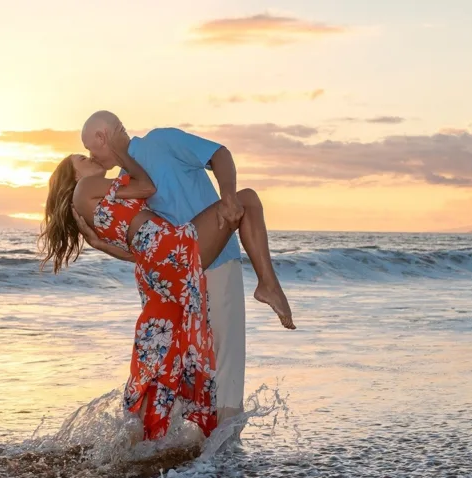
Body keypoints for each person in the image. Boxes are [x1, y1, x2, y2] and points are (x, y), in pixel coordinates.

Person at [39, 122, 294, 441]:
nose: (90, 158)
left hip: (157, 267)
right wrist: (122, 153)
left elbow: (136, 245)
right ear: (74, 178)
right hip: (175, 252)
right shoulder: (91, 189)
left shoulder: (106, 192)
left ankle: (154, 441)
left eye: (89, 152)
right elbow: (148, 188)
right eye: (83, 159)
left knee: (168, 353)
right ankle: (267, 286)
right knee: (249, 200)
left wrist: (104, 245)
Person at [77, 111, 258, 424]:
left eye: (90, 148)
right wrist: (108, 247)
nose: (91, 156)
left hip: (215, 262)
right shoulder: (122, 181)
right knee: (191, 364)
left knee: (223, 361)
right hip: (174, 276)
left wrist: (228, 196)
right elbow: (146, 245)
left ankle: (225, 456)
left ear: (102, 136)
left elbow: (220, 154)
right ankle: (198, 454)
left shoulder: (160, 141)